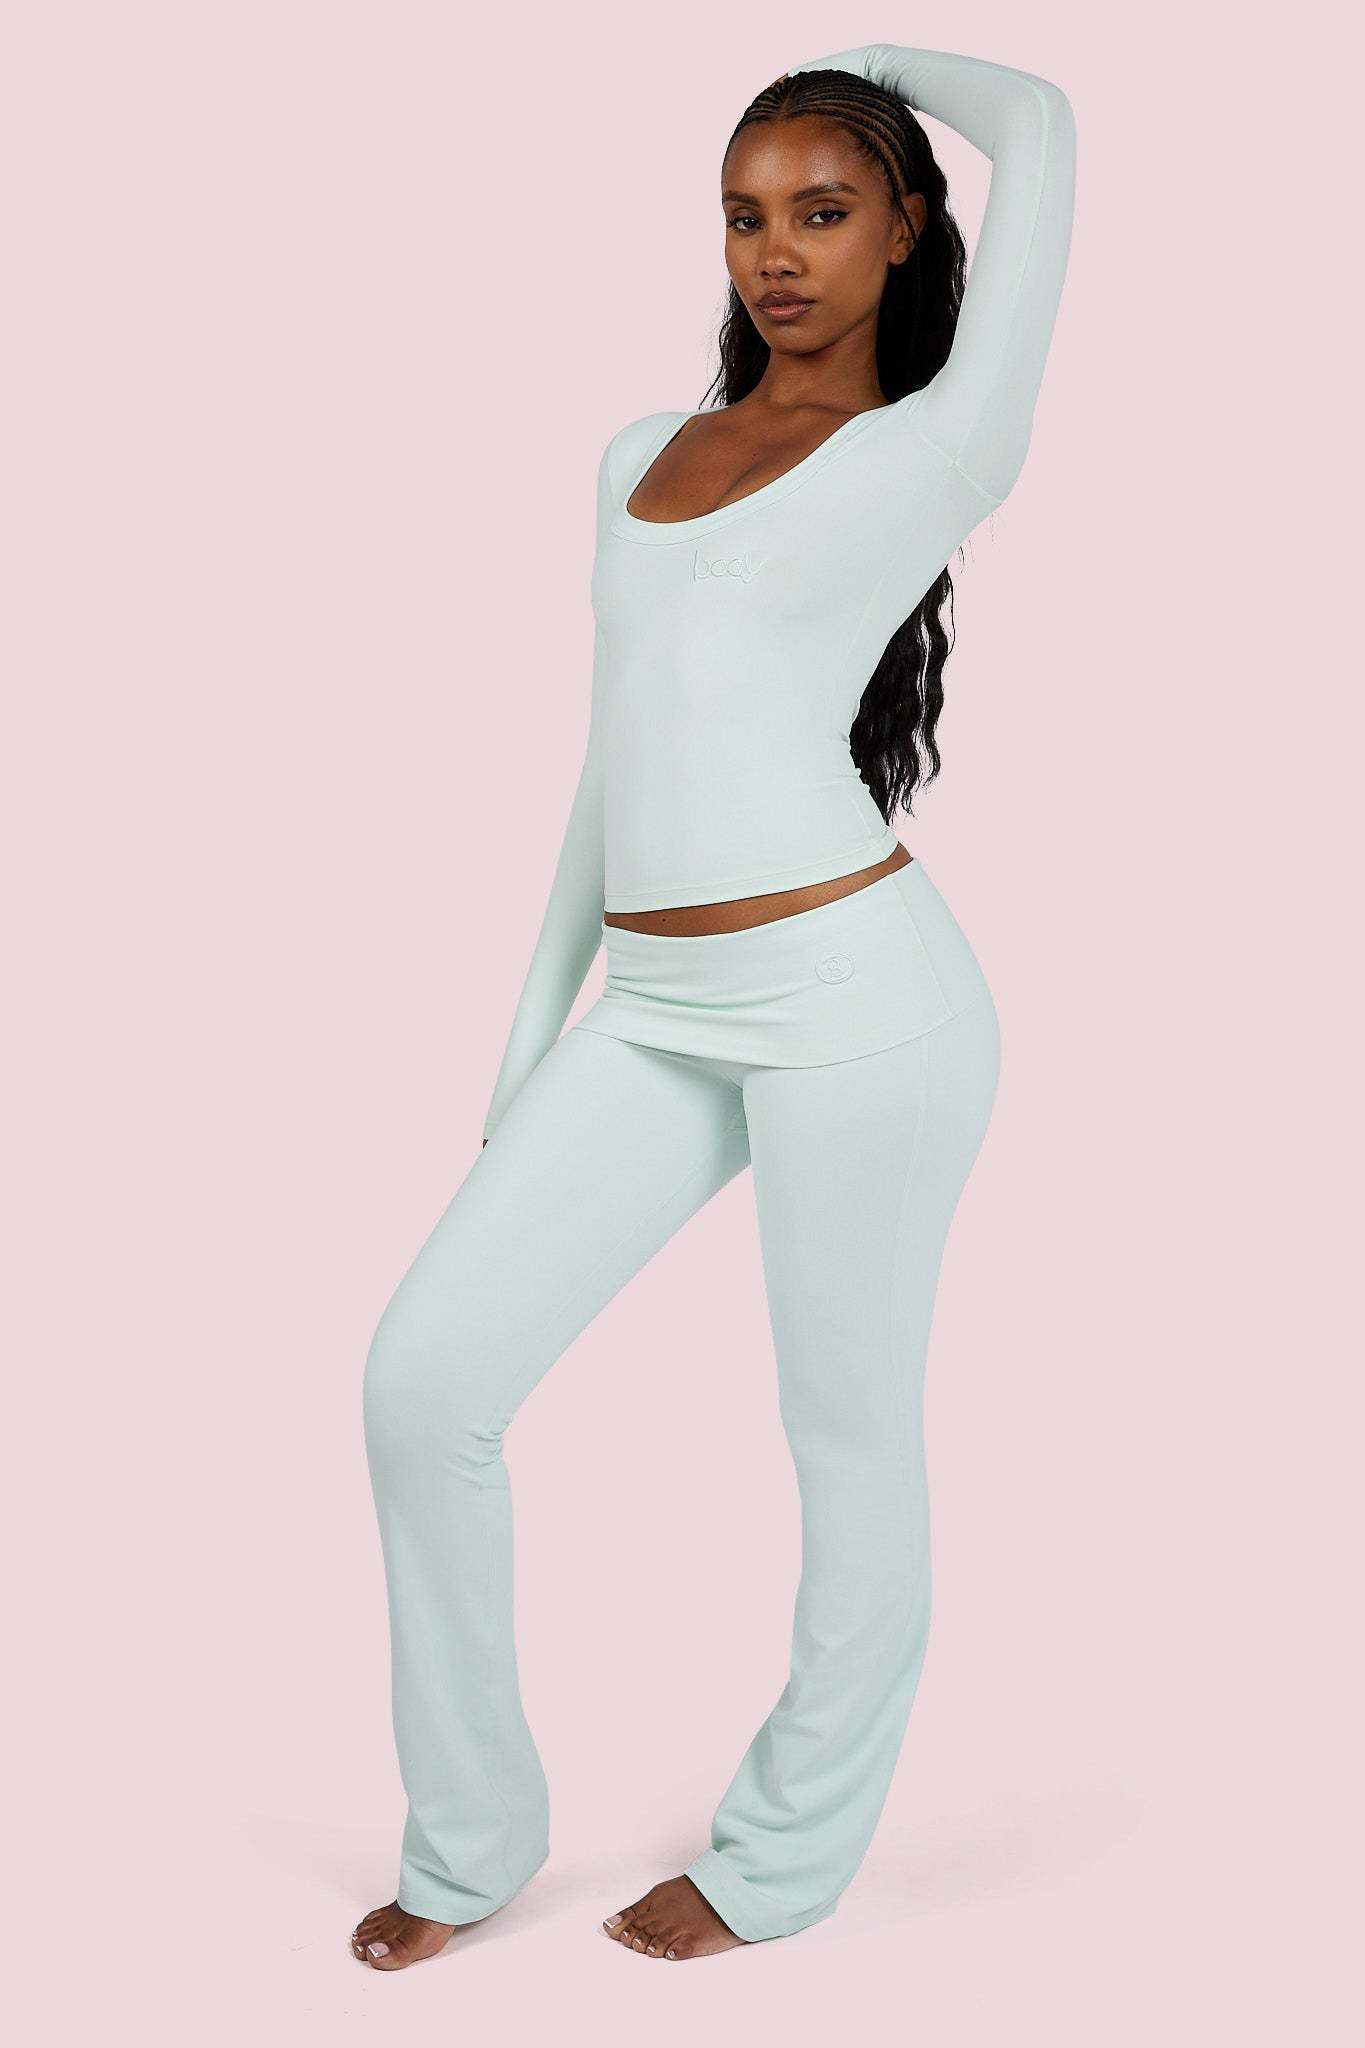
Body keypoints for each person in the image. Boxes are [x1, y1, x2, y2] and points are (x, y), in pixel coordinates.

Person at [352, 41, 1075, 1968]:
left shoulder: (938, 447)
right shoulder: (634, 459)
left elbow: (1044, 123)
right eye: (746, 216)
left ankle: (781, 1862)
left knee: (842, 1436)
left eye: (824, 211)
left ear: (905, 228)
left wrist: (864, 54)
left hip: (860, 1005)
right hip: (655, 1008)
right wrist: (533, 1025)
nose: (777, 252)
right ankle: (472, 1839)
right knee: (423, 1387)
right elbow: (620, 757)